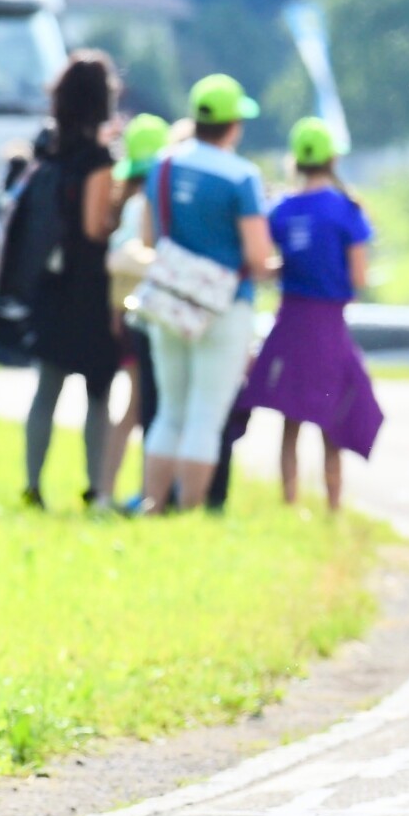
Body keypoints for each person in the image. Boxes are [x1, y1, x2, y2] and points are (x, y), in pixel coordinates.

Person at [139, 74, 275, 513]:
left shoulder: (162, 165)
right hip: (225, 306)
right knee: (205, 417)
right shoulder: (242, 176)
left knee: (169, 411)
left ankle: (152, 504)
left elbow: (149, 237)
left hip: (167, 299)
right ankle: (189, 512)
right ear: (233, 124)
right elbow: (257, 255)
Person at [233, 117, 382, 510]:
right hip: (330, 325)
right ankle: (333, 505)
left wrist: (294, 267)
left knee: (291, 414)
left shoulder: (281, 209)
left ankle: (289, 502)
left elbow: (265, 265)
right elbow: (359, 275)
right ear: (333, 158)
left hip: (291, 322)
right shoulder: (347, 209)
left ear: (294, 161)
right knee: (331, 415)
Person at [21, 50, 123, 510]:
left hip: (47, 281)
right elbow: (93, 226)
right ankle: (95, 489)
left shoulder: (46, 146)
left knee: (47, 390)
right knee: (97, 393)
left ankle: (33, 485)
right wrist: (118, 211)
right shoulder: (96, 158)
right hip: (87, 289)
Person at [102, 112, 170, 503]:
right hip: (144, 316)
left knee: (137, 405)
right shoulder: (146, 205)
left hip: (124, 313)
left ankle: (116, 490)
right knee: (141, 407)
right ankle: (136, 491)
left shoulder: (123, 201)